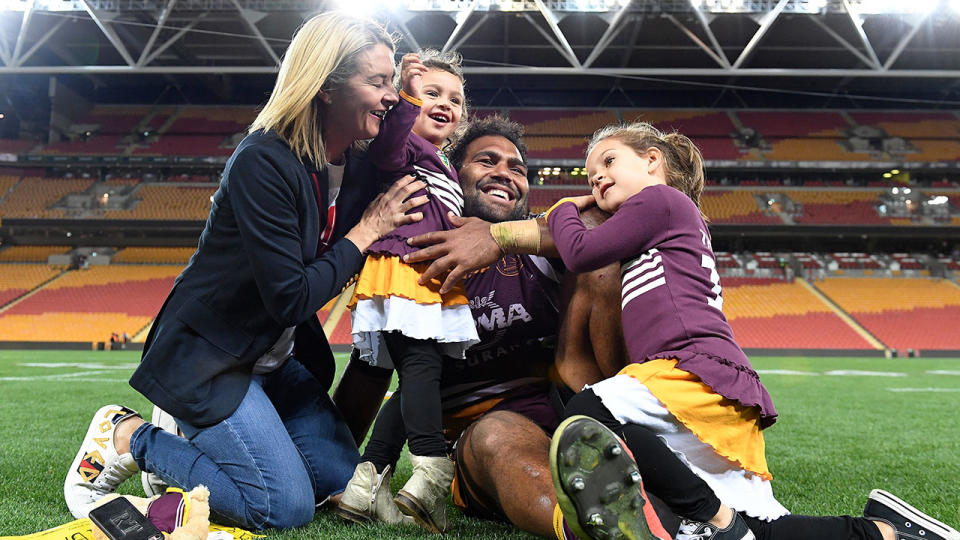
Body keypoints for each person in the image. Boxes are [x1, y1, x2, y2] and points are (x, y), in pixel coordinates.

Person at [63, 12, 428, 530]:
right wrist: (364, 233)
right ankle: (127, 435)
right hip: (210, 358)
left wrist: (411, 95)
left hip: (272, 359)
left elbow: (397, 147)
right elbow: (290, 298)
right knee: (283, 507)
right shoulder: (263, 160)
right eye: (378, 81)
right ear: (325, 87)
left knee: (340, 486)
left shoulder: (348, 162)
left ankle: (202, 448)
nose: (389, 95)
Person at [543, 121, 959, 540]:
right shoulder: (663, 217)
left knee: (587, 412)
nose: (595, 176)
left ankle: (714, 520)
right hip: (714, 384)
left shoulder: (660, 199)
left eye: (609, 160)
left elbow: (580, 252)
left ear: (653, 161)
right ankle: (888, 533)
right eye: (588, 172)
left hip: (687, 371)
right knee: (765, 529)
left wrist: (563, 209)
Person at [334, 115, 670, 539]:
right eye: (487, 161)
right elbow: (372, 376)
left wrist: (498, 236)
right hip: (483, 440)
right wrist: (333, 463)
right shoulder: (412, 255)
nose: (505, 174)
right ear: (451, 176)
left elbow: (606, 224)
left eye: (517, 168)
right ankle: (602, 528)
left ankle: (635, 428)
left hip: (570, 412)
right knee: (497, 433)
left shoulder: (539, 246)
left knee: (600, 263)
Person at [340, 49, 475, 534]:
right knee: (420, 368)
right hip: (403, 268)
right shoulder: (407, 143)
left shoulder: (441, 159)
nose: (444, 103)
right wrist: (405, 99)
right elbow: (386, 151)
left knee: (420, 374)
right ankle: (431, 471)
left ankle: (366, 482)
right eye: (432, 93)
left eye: (454, 99)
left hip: (424, 273)